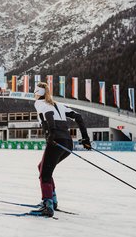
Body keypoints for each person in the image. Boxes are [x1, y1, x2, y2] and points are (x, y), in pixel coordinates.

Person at [30, 82, 92, 217]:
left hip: (56, 142)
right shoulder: (59, 105)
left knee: (45, 173)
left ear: (37, 93)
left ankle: (48, 205)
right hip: (68, 144)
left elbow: (49, 115)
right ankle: (53, 200)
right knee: (43, 167)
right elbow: (79, 117)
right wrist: (86, 139)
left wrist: (51, 134)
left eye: (34, 93)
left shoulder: (40, 104)